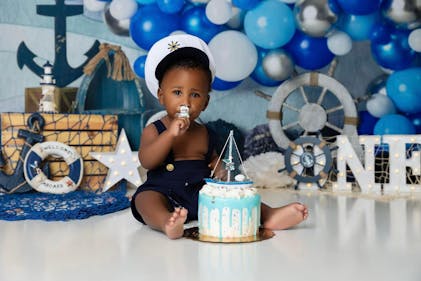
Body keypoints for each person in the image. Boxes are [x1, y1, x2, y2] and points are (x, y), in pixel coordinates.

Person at [131, 34, 308, 239]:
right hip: (162, 191)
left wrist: (220, 168)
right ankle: (167, 222)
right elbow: (147, 161)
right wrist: (170, 135)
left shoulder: (204, 132)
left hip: (201, 195)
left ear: (205, 103)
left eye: (195, 95)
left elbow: (213, 161)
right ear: (161, 96)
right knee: (144, 199)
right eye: (177, 92)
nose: (186, 102)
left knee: (235, 196)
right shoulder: (155, 129)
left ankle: (268, 215)